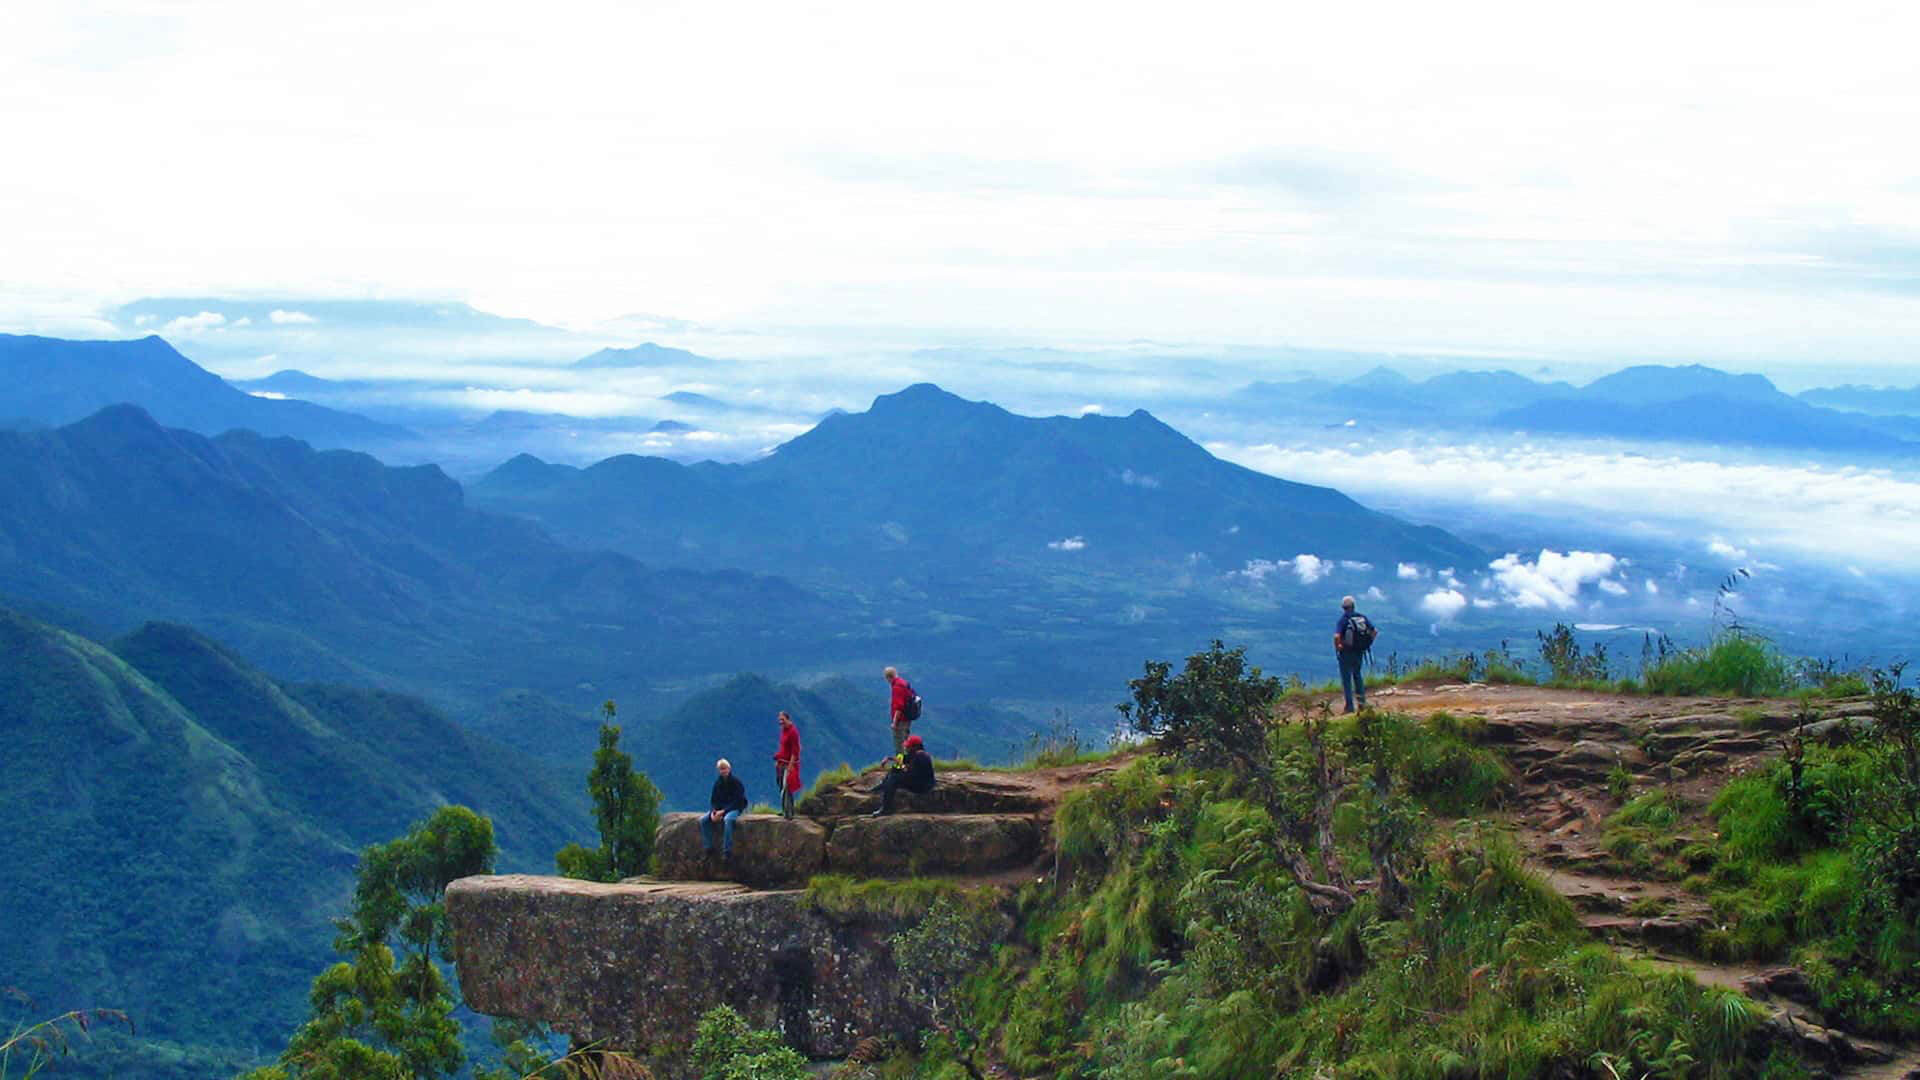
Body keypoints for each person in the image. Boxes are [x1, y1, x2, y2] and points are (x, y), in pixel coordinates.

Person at [870, 733, 935, 816]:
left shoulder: (921, 757)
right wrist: (889, 758)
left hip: (923, 786)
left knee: (894, 779)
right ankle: (884, 785)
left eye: (908, 746)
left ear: (914, 747)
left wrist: (902, 768)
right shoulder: (916, 754)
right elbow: (904, 759)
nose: (906, 748)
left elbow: (912, 774)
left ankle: (886, 808)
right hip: (919, 781)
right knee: (894, 771)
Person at [1333, 595, 1378, 714]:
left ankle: (1349, 707)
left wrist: (1338, 647)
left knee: (1346, 679)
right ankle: (1362, 704)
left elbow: (1337, 636)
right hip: (1359, 651)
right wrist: (1367, 644)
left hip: (1346, 652)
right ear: (1354, 606)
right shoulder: (1362, 617)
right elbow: (1374, 631)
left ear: (1343, 607)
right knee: (1357, 676)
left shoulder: (1343, 620)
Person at [700, 758, 749, 859]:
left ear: (729, 768)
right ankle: (708, 848)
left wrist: (723, 811)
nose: (723, 771)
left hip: (735, 808)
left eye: (725, 768)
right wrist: (714, 812)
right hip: (720, 809)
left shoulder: (736, 782)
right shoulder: (718, 783)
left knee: (728, 820)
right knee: (703, 820)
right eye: (721, 769)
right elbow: (714, 800)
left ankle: (727, 851)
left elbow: (738, 800)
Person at [772, 710, 802, 820]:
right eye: (779, 720)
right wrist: (778, 760)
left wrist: (791, 765)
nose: (781, 722)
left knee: (787, 787)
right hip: (781, 762)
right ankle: (785, 809)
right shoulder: (783, 730)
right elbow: (783, 747)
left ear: (788, 719)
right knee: (781, 786)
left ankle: (788, 814)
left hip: (789, 764)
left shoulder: (793, 732)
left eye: (782, 720)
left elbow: (796, 750)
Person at [884, 666, 916, 755]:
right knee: (906, 742)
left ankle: (900, 766)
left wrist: (894, 722)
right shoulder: (903, 683)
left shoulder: (897, 687)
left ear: (888, 677)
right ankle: (908, 764)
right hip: (907, 718)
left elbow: (899, 707)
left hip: (901, 720)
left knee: (899, 745)